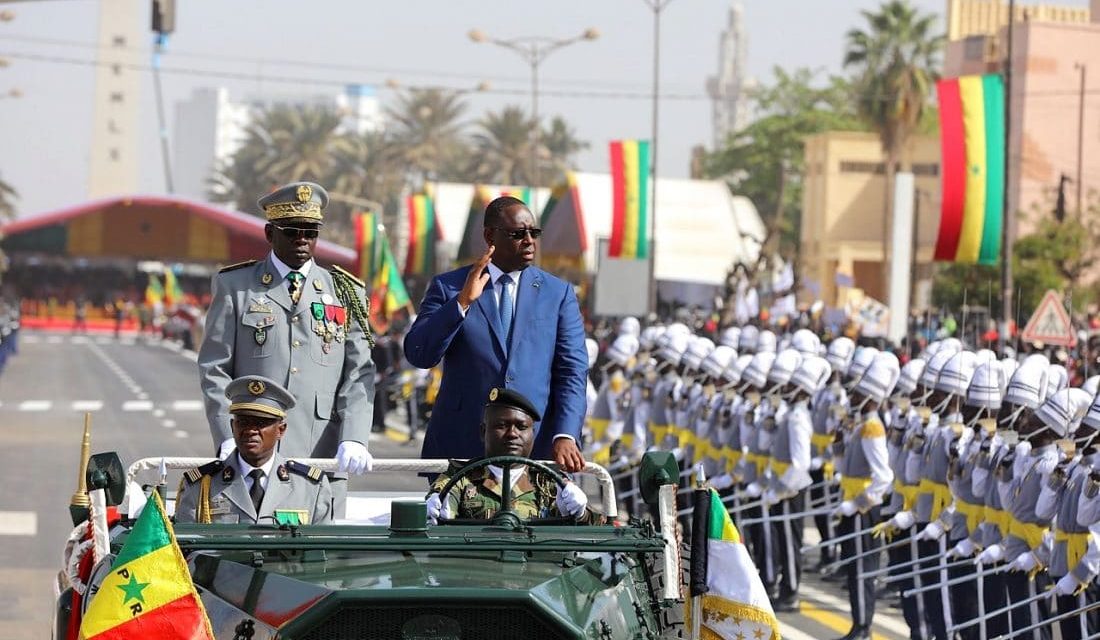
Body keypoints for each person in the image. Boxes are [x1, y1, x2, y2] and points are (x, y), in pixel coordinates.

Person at [197, 181, 376, 498]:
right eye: (292, 231)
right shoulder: (236, 286)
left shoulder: (346, 291)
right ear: (270, 233)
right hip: (252, 451)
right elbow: (214, 366)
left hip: (321, 447)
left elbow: (359, 371)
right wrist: (226, 431)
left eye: (311, 232)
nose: (302, 240)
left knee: (319, 545)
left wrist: (355, 436)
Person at [404, 196, 588, 471]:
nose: (529, 241)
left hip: (533, 448)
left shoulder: (557, 293)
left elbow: (572, 371)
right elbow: (419, 353)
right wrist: (462, 303)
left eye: (533, 233)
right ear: (490, 235)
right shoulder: (449, 286)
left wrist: (565, 434)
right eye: (517, 234)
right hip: (462, 446)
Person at [176, 375, 334, 525]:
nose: (251, 430)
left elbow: (323, 547)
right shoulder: (201, 485)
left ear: (281, 430)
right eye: (243, 422)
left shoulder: (310, 487)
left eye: (261, 423)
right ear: (232, 427)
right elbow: (187, 549)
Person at [425, 388, 595, 523]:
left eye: (521, 427)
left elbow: (603, 531)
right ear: (484, 432)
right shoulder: (459, 477)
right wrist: (435, 511)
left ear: (533, 434)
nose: (512, 434)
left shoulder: (550, 481)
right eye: (502, 425)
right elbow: (439, 505)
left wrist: (580, 514)